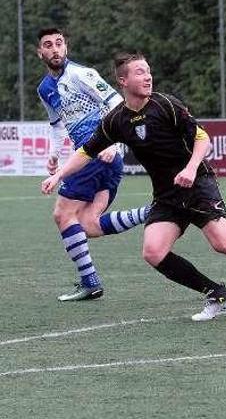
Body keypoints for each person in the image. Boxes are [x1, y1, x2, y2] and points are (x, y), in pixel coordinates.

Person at [41, 53, 226, 321]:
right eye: (139, 72)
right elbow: (87, 151)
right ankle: (216, 293)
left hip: (198, 185)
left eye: (148, 71)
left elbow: (202, 138)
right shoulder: (116, 120)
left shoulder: (165, 104)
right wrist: (59, 176)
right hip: (166, 195)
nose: (147, 76)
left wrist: (191, 167)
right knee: (153, 252)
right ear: (122, 81)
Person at [36, 27, 151, 301]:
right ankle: (154, 211)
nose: (55, 49)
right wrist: (54, 154)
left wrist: (112, 142)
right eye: (48, 45)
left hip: (99, 151)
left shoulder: (81, 74)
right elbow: (57, 125)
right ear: (40, 52)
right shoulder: (45, 89)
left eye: (59, 43)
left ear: (67, 48)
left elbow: (115, 103)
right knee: (89, 224)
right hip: (96, 156)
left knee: (63, 215)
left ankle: (89, 281)